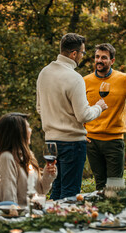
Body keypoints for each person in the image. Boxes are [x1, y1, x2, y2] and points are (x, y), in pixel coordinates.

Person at [36, 33, 108, 200]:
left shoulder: (44, 73)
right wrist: (98, 107)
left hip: (51, 143)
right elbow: (83, 115)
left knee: (56, 190)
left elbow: (40, 108)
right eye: (82, 53)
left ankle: (52, 224)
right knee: (69, 194)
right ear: (74, 54)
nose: (83, 56)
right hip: (72, 144)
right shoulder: (75, 78)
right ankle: (66, 224)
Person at [84, 43, 126, 190]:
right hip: (91, 141)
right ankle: (102, 213)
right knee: (100, 186)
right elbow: (76, 109)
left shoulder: (124, 79)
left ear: (112, 61)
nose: (99, 60)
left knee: (115, 187)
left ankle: (114, 212)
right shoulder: (85, 81)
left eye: (104, 57)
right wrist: (80, 131)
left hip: (114, 141)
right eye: (97, 57)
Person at [0, 113, 57, 207]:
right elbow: (9, 202)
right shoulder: (6, 159)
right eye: (28, 127)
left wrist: (47, 175)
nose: (31, 130)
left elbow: (39, 192)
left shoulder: (27, 156)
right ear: (18, 133)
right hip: (17, 218)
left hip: (32, 213)